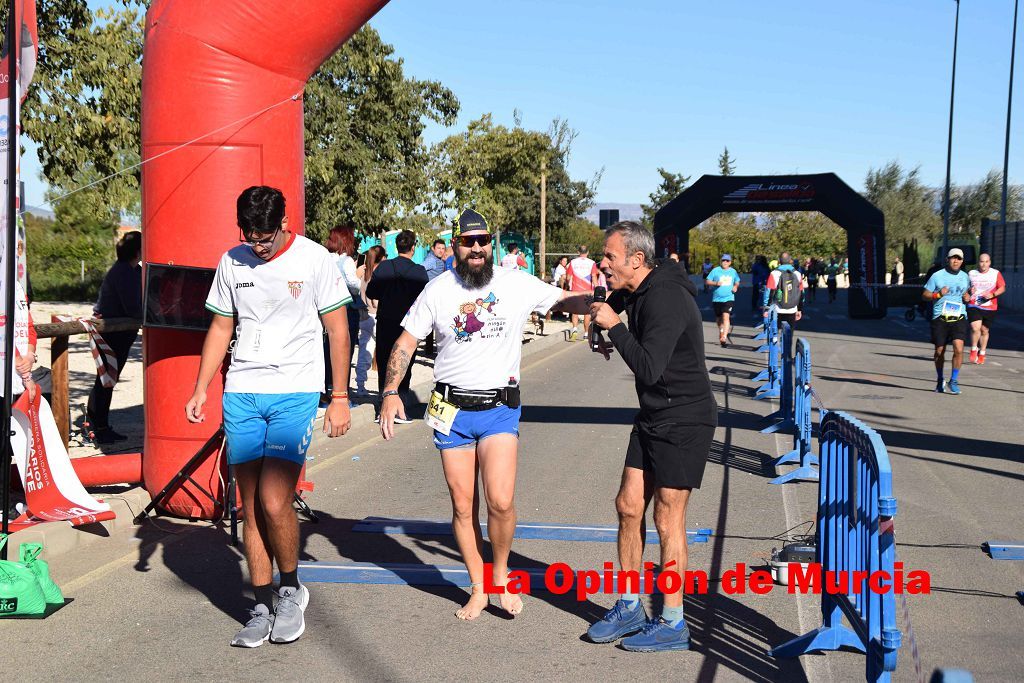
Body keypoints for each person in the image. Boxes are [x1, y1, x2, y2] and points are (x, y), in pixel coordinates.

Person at [378, 209, 592, 621]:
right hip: (451, 410)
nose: (476, 248)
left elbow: (564, 300)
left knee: (501, 501)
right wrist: (390, 391)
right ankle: (478, 587)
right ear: (455, 246)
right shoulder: (438, 289)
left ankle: (501, 575)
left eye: (483, 240)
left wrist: (603, 303)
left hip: (498, 409)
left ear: (490, 243)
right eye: (468, 241)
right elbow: (405, 341)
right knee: (463, 507)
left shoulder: (514, 282)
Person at [185, 186, 352, 648]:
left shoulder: (314, 259)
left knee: (277, 500)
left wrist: (339, 397)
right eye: (250, 236)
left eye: (265, 237)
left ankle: (291, 590)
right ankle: (260, 605)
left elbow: (338, 329)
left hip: (295, 390)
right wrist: (201, 387)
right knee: (250, 503)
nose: (257, 246)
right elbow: (222, 325)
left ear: (284, 224)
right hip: (242, 390)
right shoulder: (232, 261)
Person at [586, 220, 716, 652]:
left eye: (609, 257)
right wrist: (597, 327)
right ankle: (629, 605)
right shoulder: (639, 287)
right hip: (654, 413)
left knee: (666, 517)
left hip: (685, 417)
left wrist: (615, 329)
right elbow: (612, 302)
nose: (603, 264)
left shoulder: (666, 298)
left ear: (636, 260)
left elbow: (648, 367)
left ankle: (674, 622)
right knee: (627, 506)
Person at [366, 229, 428, 419]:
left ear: (396, 246)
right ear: (413, 247)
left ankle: (382, 405)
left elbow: (371, 292)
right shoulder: (419, 271)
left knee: (385, 363)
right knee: (405, 362)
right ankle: (401, 405)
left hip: (385, 321)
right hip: (409, 324)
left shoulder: (384, 268)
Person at [87, 230, 142, 443]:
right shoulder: (124, 273)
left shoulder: (131, 270)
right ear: (137, 251)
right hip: (111, 333)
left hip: (119, 332)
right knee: (106, 380)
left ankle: (97, 424)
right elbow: (133, 306)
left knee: (107, 379)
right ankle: (99, 427)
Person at [922, 248, 971, 394]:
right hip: (940, 317)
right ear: (947, 260)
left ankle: (954, 380)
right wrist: (937, 294)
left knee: (959, 348)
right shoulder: (937, 276)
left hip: (959, 316)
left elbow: (967, 293)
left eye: (959, 258)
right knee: (939, 351)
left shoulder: (965, 276)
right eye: (953, 258)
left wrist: (967, 297)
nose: (956, 261)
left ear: (962, 261)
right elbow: (925, 295)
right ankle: (940, 379)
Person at [324, 225, 364, 398]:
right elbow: (354, 286)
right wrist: (359, 274)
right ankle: (342, 393)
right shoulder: (346, 260)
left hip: (326, 309)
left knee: (327, 350)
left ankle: (325, 390)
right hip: (346, 310)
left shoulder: (325, 258)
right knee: (345, 350)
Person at [354, 245, 386, 396]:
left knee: (364, 351)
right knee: (384, 350)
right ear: (382, 258)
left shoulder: (362, 272)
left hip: (362, 315)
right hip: (374, 316)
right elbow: (376, 300)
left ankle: (360, 385)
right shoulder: (378, 275)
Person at [967, 252, 1006, 365]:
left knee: (984, 330)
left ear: (990, 263)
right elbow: (966, 287)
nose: (984, 264)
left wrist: (992, 295)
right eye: (981, 261)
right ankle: (974, 349)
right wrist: (969, 291)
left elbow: (1002, 288)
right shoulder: (971, 273)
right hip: (974, 304)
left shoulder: (995, 273)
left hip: (990, 306)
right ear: (978, 262)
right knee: (975, 328)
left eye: (986, 262)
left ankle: (982, 352)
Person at [764, 253, 805, 352]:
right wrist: (800, 309)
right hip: (792, 308)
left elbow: (768, 291)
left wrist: (766, 307)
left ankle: (773, 357)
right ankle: (786, 357)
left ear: (779, 261)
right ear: (790, 260)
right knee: (789, 334)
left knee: (774, 333)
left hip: (776, 308)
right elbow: (801, 293)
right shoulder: (797, 274)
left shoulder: (774, 273)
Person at [566, 244, 600, 341]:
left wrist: (567, 285)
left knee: (575, 312)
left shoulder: (572, 262)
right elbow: (594, 277)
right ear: (588, 252)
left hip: (575, 290)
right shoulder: (592, 263)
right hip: (587, 292)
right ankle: (585, 334)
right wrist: (597, 289)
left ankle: (575, 330)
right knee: (586, 313)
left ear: (578, 252)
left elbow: (568, 278)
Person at [705, 254, 739, 347]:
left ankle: (724, 336)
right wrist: (715, 283)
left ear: (730, 262)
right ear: (721, 261)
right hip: (717, 299)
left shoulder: (733, 271)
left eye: (727, 261)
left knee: (726, 316)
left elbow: (737, 280)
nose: (725, 262)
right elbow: (707, 281)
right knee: (719, 319)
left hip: (729, 298)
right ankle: (721, 331)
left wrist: (735, 286)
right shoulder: (715, 270)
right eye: (723, 260)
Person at [422, 239, 449, 355]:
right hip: (430, 295)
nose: (441, 251)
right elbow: (420, 268)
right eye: (439, 248)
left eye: (443, 248)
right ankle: (429, 349)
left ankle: (429, 348)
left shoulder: (438, 260)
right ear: (433, 248)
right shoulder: (431, 260)